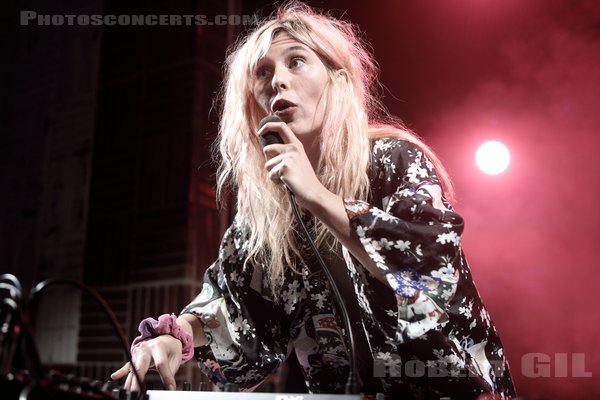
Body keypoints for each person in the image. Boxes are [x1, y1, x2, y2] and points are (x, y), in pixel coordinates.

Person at [111, 2, 517, 399]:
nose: (277, 82)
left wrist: (317, 196)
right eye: (263, 72)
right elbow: (236, 308)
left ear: (337, 79)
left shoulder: (395, 160)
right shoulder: (266, 214)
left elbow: (429, 268)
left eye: (297, 61)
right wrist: (173, 338)